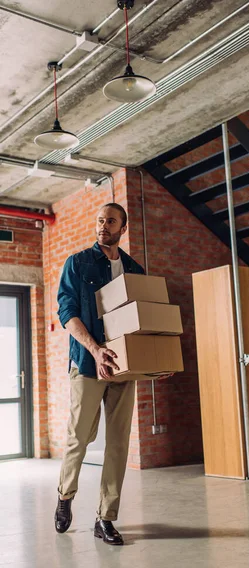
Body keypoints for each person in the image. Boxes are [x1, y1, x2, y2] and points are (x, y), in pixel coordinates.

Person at [54, 203, 147, 545]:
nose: (103, 225)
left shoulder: (134, 269)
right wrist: (96, 350)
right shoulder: (78, 263)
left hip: (124, 367)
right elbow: (68, 312)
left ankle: (105, 518)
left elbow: (142, 321)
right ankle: (65, 495)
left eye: (110, 221)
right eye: (99, 220)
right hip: (88, 363)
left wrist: (153, 364)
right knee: (80, 437)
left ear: (123, 228)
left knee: (119, 443)